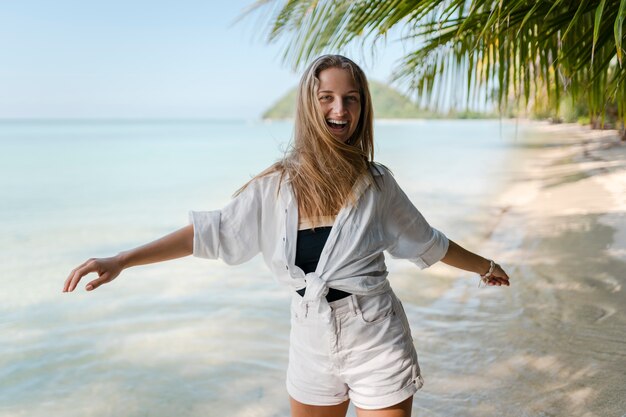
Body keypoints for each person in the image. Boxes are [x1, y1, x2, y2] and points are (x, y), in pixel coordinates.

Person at [62, 54, 510, 417]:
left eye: (351, 99)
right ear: (308, 105)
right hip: (309, 339)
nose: (340, 110)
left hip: (376, 336)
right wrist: (122, 259)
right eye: (328, 98)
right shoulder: (274, 188)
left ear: (362, 108)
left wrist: (485, 266)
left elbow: (429, 242)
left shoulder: (378, 184)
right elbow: (208, 233)